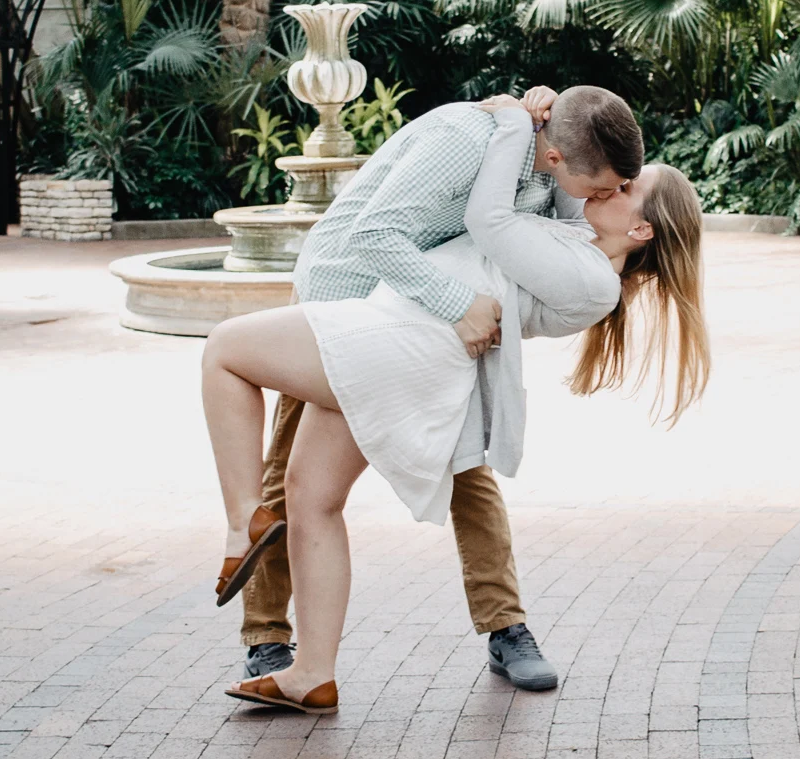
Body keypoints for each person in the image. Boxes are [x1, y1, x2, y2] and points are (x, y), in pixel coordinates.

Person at [200, 96, 710, 714]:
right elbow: (570, 159)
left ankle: (242, 526)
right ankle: (309, 671)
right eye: (613, 178)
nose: (610, 189)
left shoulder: (590, 271)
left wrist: (518, 124)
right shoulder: (570, 220)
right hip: (370, 307)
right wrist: (530, 115)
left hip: (400, 333)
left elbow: (493, 218)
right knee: (310, 497)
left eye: (628, 186)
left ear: (641, 228)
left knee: (226, 351)